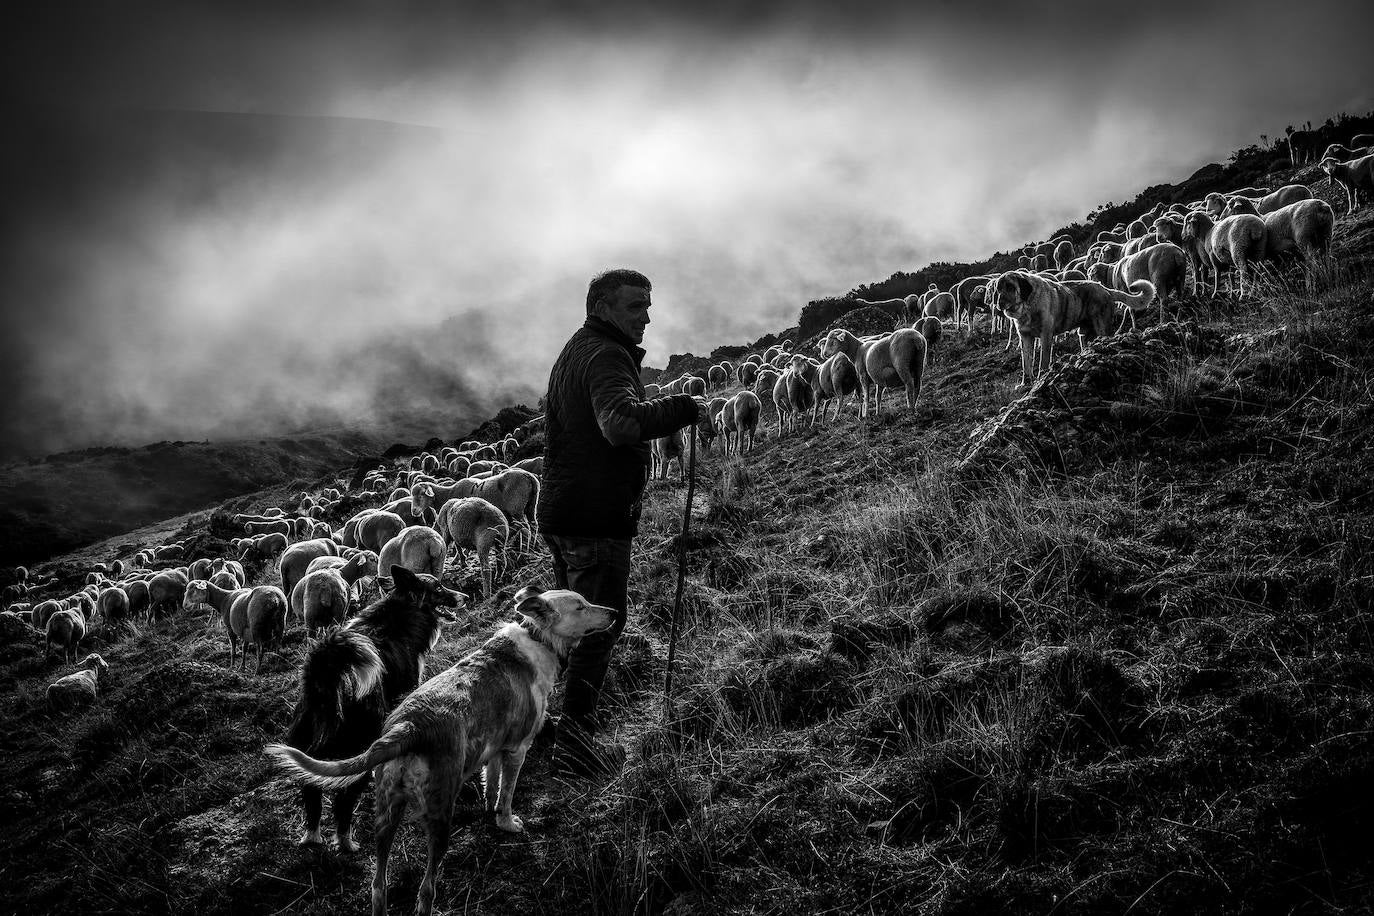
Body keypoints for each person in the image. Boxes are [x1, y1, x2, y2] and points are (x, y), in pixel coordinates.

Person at [538, 268, 708, 778]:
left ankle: (543, 720)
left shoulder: (577, 347)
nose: (647, 316)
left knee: (566, 626)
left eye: (649, 306)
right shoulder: (607, 354)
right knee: (598, 628)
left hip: (565, 511)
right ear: (601, 304)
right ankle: (575, 745)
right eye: (635, 306)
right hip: (594, 517)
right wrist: (679, 409)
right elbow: (618, 424)